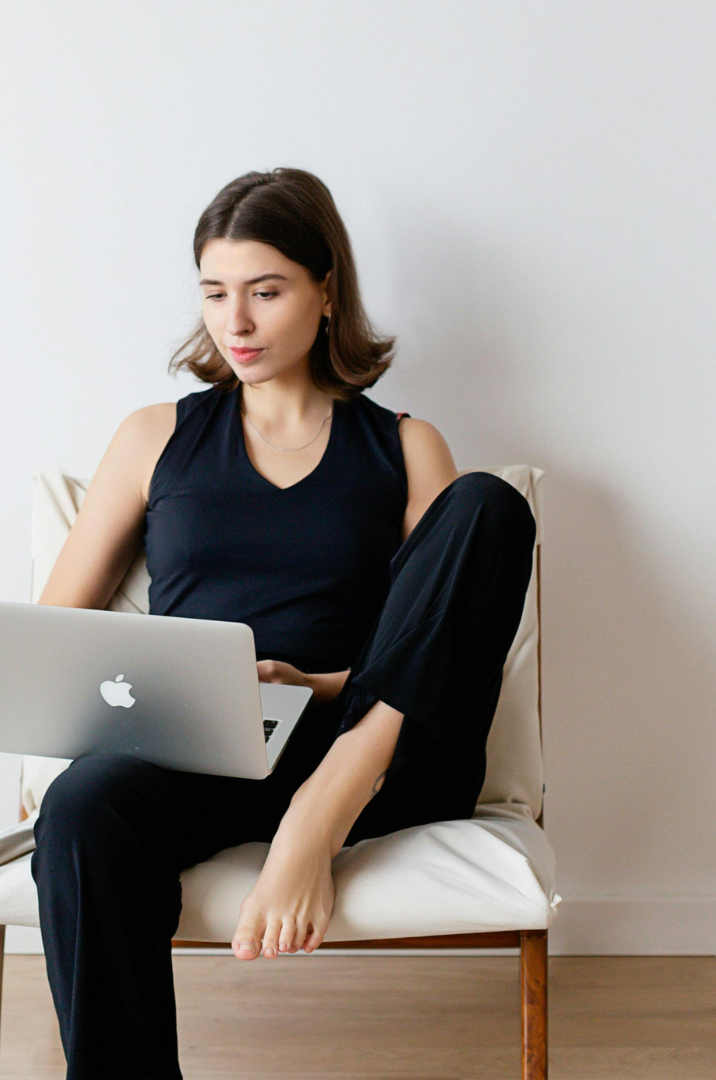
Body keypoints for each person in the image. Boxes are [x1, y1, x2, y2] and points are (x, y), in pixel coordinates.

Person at [31, 167, 536, 1079]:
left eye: (266, 291)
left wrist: (322, 691)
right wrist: (176, 697)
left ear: (325, 291)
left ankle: (319, 813)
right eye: (216, 294)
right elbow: (51, 642)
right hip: (212, 746)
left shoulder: (405, 445)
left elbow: (446, 642)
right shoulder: (154, 437)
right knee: (83, 806)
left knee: (488, 509)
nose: (238, 323)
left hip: (376, 747)